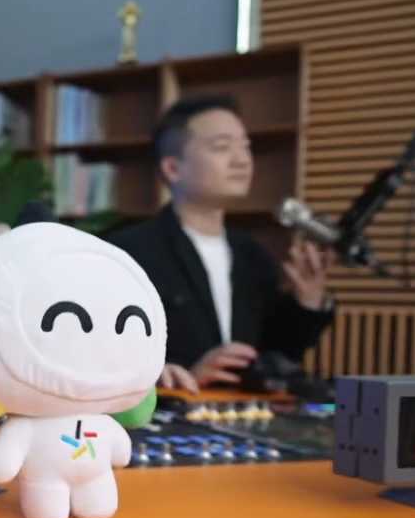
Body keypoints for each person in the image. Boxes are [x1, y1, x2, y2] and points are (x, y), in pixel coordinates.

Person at [108, 95, 334, 393]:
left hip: (244, 412)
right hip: (173, 410)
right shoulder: (128, 252)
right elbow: (104, 353)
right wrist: (178, 375)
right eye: (222, 147)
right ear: (173, 168)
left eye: (246, 146)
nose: (242, 160)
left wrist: (308, 300)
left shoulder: (252, 254)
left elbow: (280, 353)